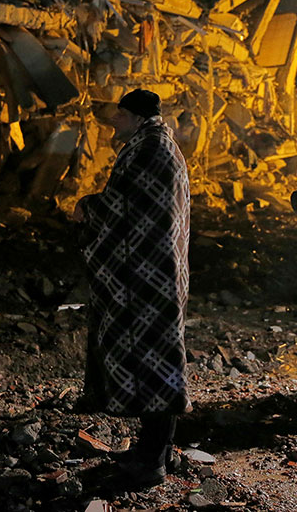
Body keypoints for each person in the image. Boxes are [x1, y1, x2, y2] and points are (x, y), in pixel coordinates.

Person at [71, 88, 192, 488]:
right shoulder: (155, 144)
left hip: (147, 279)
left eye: (119, 115)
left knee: (153, 364)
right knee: (158, 361)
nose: (113, 122)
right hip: (155, 274)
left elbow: (121, 207)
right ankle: (157, 451)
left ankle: (151, 462)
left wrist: (87, 207)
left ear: (137, 118)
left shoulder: (148, 149)